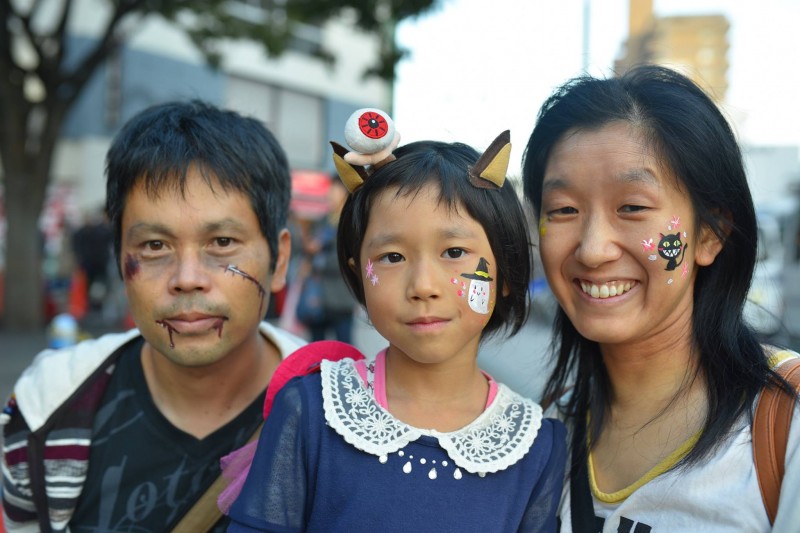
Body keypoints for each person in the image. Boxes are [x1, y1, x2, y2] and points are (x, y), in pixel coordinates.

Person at [225, 111, 567, 531]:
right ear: (358, 274)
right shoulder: (311, 410)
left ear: (506, 271)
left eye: (455, 252)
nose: (423, 285)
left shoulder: (535, 447)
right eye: (392, 257)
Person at [1, 100, 305, 532]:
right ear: (119, 258)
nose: (187, 279)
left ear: (279, 260)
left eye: (221, 241)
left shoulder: (343, 415)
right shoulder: (48, 406)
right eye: (155, 246)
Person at [522, 64, 800, 531]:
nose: (592, 249)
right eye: (563, 210)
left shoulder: (785, 425)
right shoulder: (549, 427)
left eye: (632, 207)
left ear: (710, 234)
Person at [296, 178, 356, 343]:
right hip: (316, 297)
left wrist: (317, 260)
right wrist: (308, 250)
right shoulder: (322, 221)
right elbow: (308, 249)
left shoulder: (351, 223)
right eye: (330, 190)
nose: (330, 195)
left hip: (340, 297)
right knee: (316, 345)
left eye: (335, 191)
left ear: (345, 194)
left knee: (344, 346)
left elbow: (348, 259)